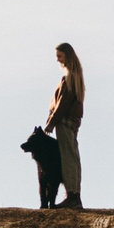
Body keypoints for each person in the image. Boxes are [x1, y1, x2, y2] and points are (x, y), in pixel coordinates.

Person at [44, 42, 85, 209]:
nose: (58, 60)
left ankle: (72, 196)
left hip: (65, 122)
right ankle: (75, 195)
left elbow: (62, 103)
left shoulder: (70, 77)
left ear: (67, 56)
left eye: (60, 56)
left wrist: (51, 122)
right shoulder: (76, 75)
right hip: (72, 123)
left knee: (68, 158)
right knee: (73, 157)